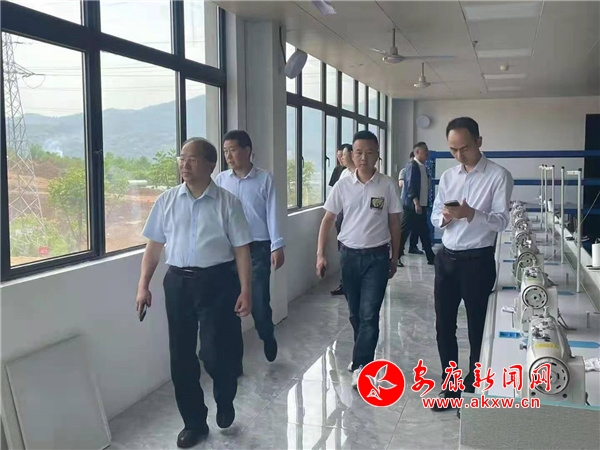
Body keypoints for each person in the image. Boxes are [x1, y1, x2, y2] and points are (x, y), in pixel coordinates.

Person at [135, 137, 253, 448]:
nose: (184, 164)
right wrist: (143, 285)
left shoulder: (228, 202)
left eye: (192, 159)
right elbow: (154, 247)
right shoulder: (167, 201)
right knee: (181, 356)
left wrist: (246, 290)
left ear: (211, 165)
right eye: (182, 158)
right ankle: (194, 422)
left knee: (214, 352)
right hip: (178, 283)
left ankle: (224, 394)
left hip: (217, 282)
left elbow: (241, 250)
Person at [430, 117, 513, 411]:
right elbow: (435, 214)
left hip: (477, 261)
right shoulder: (448, 176)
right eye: (453, 149)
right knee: (444, 326)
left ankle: (474, 387)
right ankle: (451, 387)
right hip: (446, 259)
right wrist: (445, 217)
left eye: (464, 148)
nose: (459, 155)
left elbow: (501, 221)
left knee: (478, 328)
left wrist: (471, 214)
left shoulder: (499, 176)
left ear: (478, 142)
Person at [315, 130, 402, 388]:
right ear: (351, 155)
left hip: (377, 256)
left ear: (377, 155)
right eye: (358, 152)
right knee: (355, 313)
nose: (363, 157)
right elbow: (328, 219)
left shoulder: (387, 185)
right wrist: (320, 254)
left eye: (369, 152)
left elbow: (394, 222)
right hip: (349, 256)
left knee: (369, 313)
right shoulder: (342, 185)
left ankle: (362, 365)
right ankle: (361, 355)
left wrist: (395, 257)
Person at [216, 130, 284, 364]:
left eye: (233, 150)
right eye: (225, 151)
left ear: (247, 151)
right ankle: (234, 361)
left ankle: (267, 334)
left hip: (258, 248)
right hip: (229, 249)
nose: (228, 156)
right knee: (229, 305)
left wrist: (277, 245)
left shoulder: (265, 179)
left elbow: (272, 213)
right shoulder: (221, 180)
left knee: (259, 302)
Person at [399, 142, 435, 266]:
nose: (427, 154)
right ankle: (396, 257)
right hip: (412, 206)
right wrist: (416, 202)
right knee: (404, 232)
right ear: (417, 152)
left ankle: (431, 257)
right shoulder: (412, 166)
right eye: (425, 152)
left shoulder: (423, 167)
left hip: (421, 205)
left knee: (424, 231)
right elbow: (411, 185)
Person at [331, 144, 353, 296]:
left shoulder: (359, 174)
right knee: (343, 251)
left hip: (353, 217)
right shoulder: (344, 173)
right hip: (342, 215)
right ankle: (344, 283)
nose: (341, 159)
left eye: (343, 155)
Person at [398, 151, 420, 261]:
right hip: (408, 202)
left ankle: (413, 246)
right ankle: (399, 250)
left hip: (418, 202)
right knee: (405, 227)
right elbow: (401, 183)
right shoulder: (405, 170)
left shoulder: (421, 169)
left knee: (417, 227)